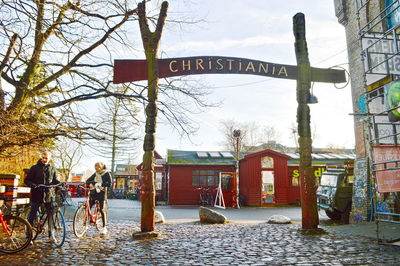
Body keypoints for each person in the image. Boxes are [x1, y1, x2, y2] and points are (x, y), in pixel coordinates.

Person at [24, 151, 60, 242]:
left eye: (46, 158)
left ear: (49, 158)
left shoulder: (52, 168)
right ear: (41, 157)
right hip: (37, 193)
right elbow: (27, 180)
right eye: (43, 157)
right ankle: (29, 236)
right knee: (32, 215)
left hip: (48, 195)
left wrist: (60, 184)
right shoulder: (34, 168)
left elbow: (55, 180)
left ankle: (51, 234)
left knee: (50, 215)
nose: (44, 159)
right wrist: (33, 185)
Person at [85, 162, 111, 234]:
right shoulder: (95, 174)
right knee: (89, 206)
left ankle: (104, 227)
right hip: (94, 192)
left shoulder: (106, 173)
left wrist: (101, 184)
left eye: (98, 168)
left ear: (101, 167)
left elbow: (109, 183)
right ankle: (88, 221)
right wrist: (90, 183)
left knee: (102, 209)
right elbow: (88, 180)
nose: (97, 169)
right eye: (95, 168)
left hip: (102, 193)